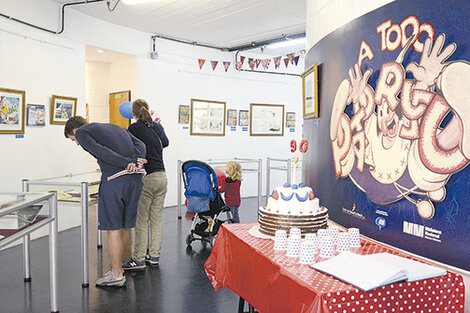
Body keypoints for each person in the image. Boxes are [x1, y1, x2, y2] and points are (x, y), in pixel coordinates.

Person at [64, 116, 147, 287]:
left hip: (115, 180)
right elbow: (141, 145)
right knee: (125, 226)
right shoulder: (116, 127)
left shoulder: (82, 132)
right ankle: (122, 266)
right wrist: (136, 160)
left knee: (113, 229)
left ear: (74, 131)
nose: (78, 143)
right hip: (135, 180)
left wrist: (127, 162)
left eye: (74, 140)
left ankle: (116, 274)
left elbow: (100, 151)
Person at [122, 99, 169, 270]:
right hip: (162, 176)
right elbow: (166, 143)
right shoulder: (156, 126)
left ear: (132, 113)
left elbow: (126, 147)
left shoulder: (133, 128)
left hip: (146, 177)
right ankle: (154, 256)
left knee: (141, 220)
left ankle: (139, 259)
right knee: (156, 219)